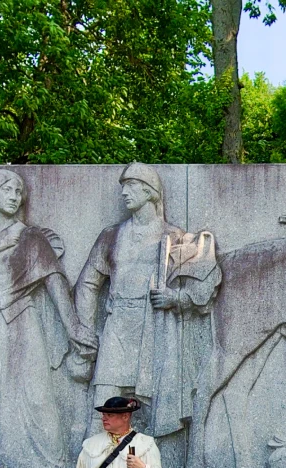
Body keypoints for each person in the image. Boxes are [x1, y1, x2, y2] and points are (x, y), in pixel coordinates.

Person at [0, 168, 95, 468]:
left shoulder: (31, 237)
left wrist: (74, 326)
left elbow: (55, 282)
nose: (14, 196)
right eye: (7, 189)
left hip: (23, 321)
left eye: (19, 191)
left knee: (38, 398)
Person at [73, 163, 221, 448]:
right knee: (102, 404)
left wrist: (176, 299)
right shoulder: (111, 235)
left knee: (154, 406)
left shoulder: (175, 237)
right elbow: (88, 284)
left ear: (150, 192)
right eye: (123, 186)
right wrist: (85, 329)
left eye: (131, 186)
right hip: (118, 325)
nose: (125, 193)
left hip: (155, 327)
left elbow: (201, 284)